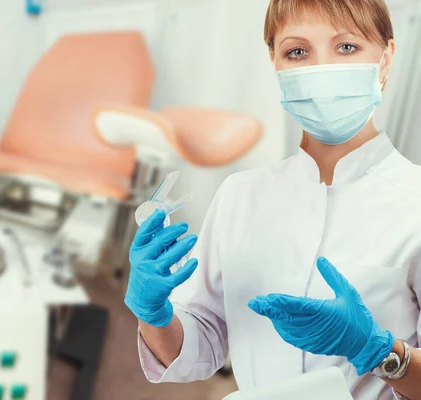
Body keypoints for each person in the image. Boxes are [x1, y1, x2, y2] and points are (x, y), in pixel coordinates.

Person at [123, 1, 421, 399]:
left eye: (346, 47)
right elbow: (203, 344)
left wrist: (380, 351)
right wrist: (154, 316)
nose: (321, 70)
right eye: (297, 52)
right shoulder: (240, 194)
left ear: (386, 59)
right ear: (275, 63)